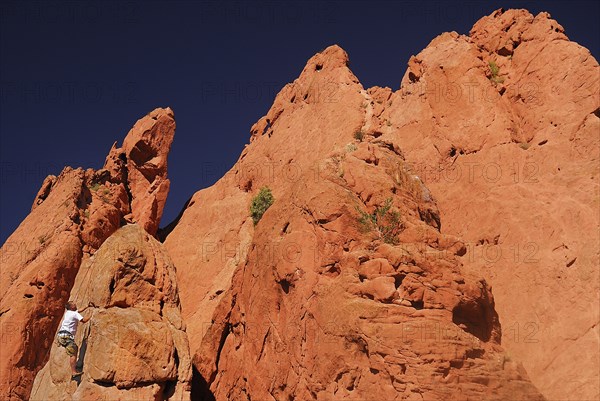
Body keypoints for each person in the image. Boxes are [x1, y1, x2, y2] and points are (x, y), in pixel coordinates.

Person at [57, 301, 95, 379]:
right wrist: (91, 315)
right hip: (67, 336)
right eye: (74, 304)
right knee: (73, 353)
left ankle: (74, 368)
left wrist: (86, 306)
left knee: (74, 349)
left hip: (61, 336)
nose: (76, 304)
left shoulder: (68, 313)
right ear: (71, 307)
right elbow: (83, 320)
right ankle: (73, 372)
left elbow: (78, 310)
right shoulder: (74, 314)